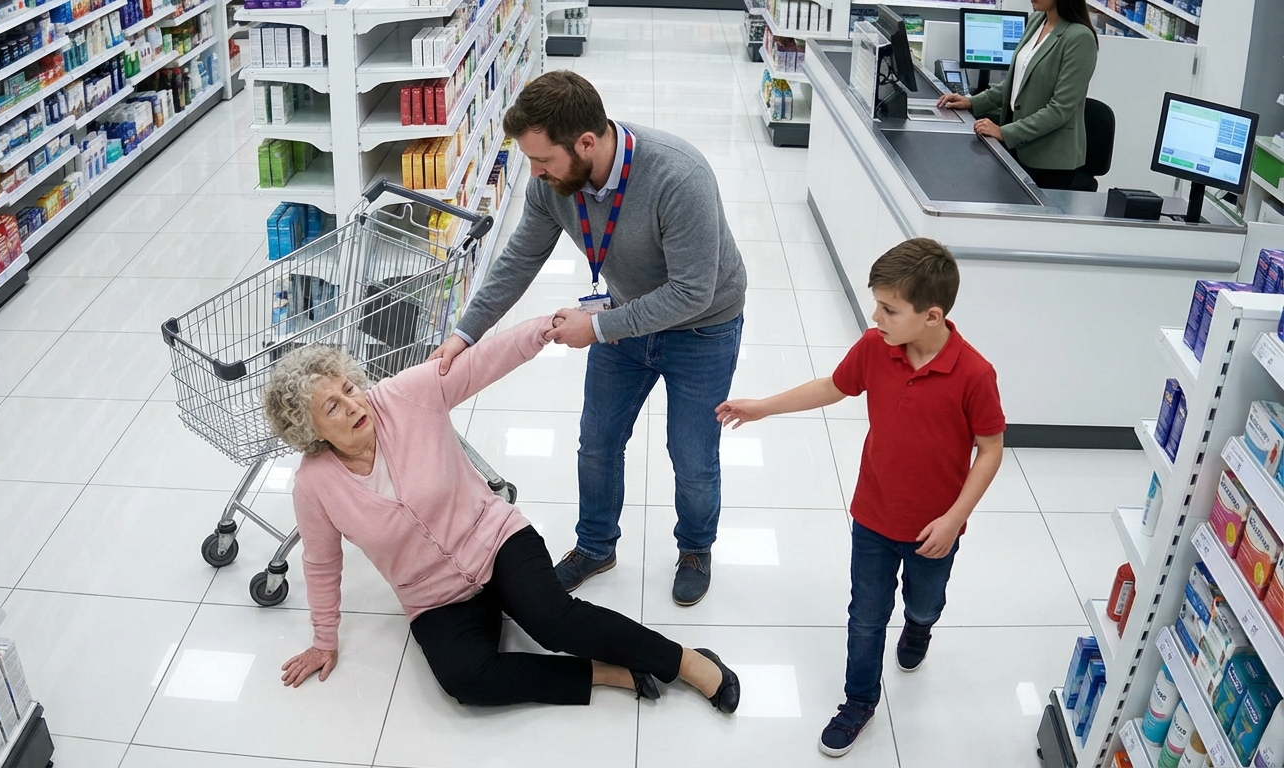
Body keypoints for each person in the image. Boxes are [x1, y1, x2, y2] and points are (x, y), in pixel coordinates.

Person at [264, 314, 741, 713]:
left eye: (350, 388)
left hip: (495, 539)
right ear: (311, 429)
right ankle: (609, 673)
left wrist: (543, 330)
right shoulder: (314, 485)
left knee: (555, 622)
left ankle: (690, 663)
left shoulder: (402, 396)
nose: (353, 405)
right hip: (432, 594)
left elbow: (481, 364)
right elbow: (322, 564)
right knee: (466, 682)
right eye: (333, 406)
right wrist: (324, 640)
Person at [428, 70, 747, 606]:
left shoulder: (678, 175)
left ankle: (695, 547)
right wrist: (464, 333)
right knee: (597, 443)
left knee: (691, 454)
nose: (534, 173)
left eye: (543, 160)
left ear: (586, 143)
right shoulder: (552, 182)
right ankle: (595, 546)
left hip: (702, 327)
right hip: (626, 315)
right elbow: (518, 260)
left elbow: (694, 292)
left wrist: (597, 327)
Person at [714, 239, 1006, 757]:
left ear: (932, 315)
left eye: (889, 309)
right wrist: (764, 408)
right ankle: (859, 701)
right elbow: (833, 386)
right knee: (865, 616)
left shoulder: (975, 374)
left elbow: (989, 450)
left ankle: (919, 629)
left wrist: (955, 517)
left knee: (924, 601)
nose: (876, 317)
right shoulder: (876, 348)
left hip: (934, 531)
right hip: (872, 517)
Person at [936, 0, 1098, 190]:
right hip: (1016, 146)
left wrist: (1004, 132)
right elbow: (1014, 83)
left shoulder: (1079, 37)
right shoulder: (1037, 20)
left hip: (1048, 160)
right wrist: (972, 102)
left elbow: (1060, 109)